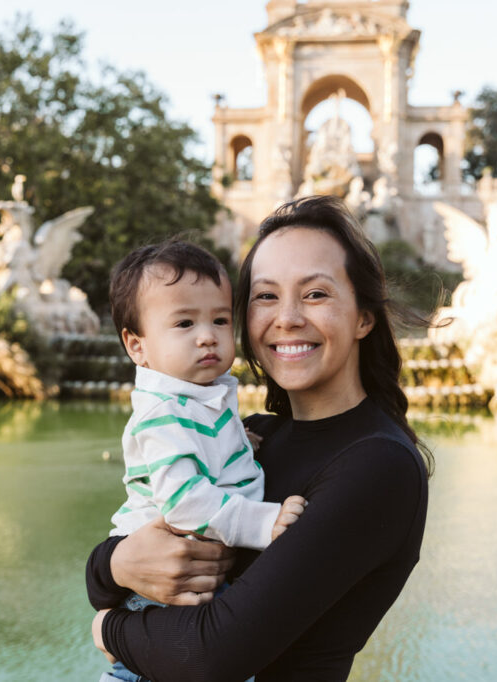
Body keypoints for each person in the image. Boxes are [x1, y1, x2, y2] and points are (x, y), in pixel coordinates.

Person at [86, 196, 432, 681]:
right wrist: (114, 565)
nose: (286, 317)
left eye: (315, 294)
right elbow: (122, 555)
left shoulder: (377, 465)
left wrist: (109, 630)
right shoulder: (252, 435)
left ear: (364, 317)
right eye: (266, 296)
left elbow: (212, 655)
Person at [101, 239, 307, 681]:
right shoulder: (162, 412)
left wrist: (237, 442)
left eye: (219, 319)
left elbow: (204, 453)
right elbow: (183, 502)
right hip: (160, 596)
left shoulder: (201, 397)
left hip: (192, 587)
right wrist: (263, 523)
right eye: (183, 322)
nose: (207, 334)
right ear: (137, 346)